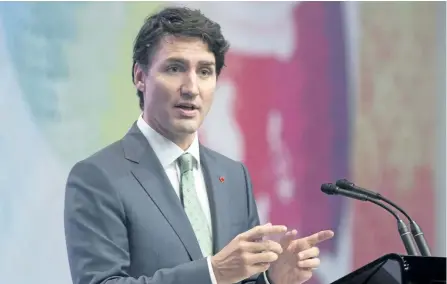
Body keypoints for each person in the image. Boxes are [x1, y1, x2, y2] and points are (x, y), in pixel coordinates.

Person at [64, 6, 334, 284]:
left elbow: (243, 279)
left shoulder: (233, 176)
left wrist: (271, 279)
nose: (191, 87)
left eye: (205, 71)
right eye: (175, 68)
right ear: (140, 77)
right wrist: (212, 273)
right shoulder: (97, 177)